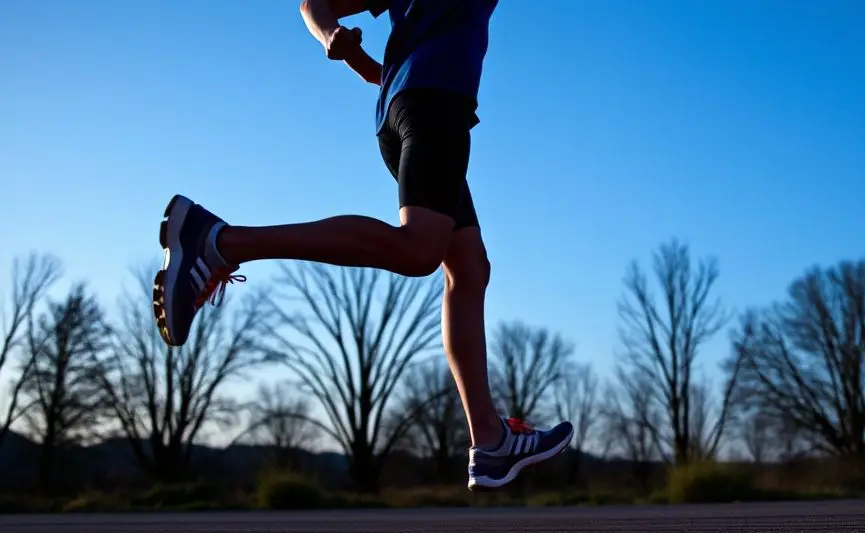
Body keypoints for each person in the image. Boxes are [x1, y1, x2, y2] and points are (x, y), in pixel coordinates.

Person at [152, 0, 571, 490]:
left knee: (469, 268)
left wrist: (353, 55)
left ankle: (491, 442)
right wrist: (338, 41)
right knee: (419, 250)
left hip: (408, 106)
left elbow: (316, 4)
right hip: (434, 101)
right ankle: (222, 242)